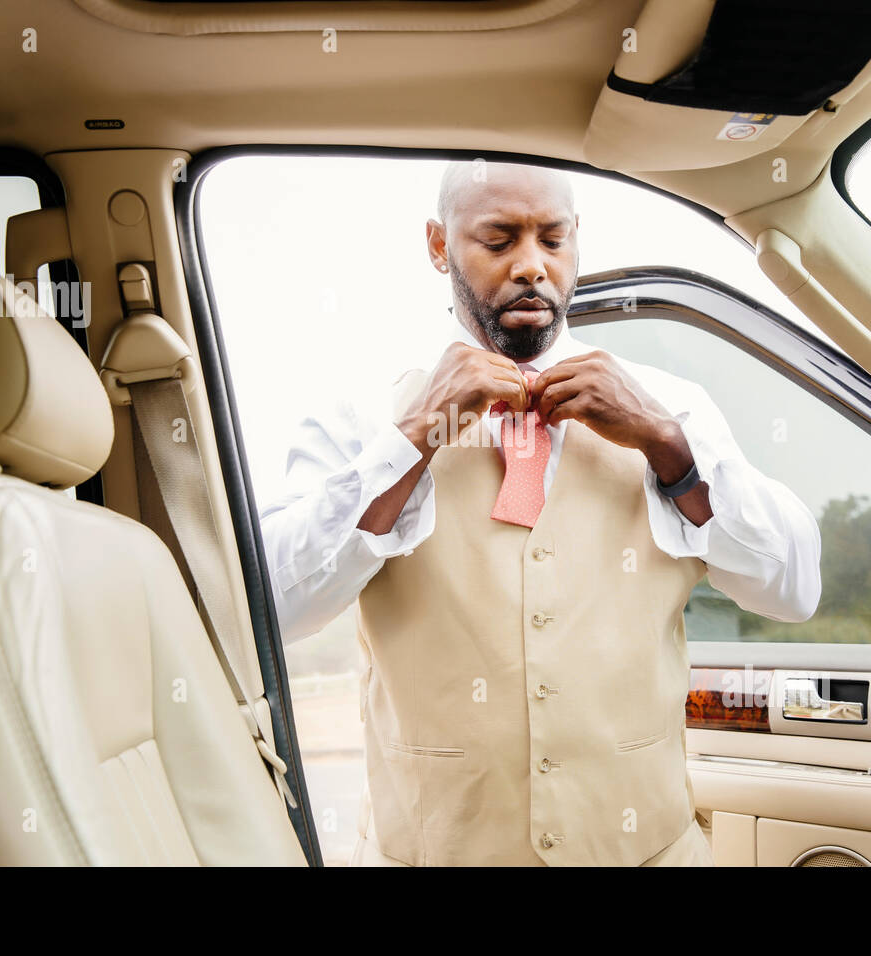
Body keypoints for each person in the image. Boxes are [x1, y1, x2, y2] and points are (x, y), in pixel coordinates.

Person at [260, 161, 822, 866]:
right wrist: (412, 438)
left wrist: (667, 447)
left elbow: (794, 589)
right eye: (499, 241)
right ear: (439, 246)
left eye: (552, 241)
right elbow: (273, 606)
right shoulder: (361, 414)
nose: (531, 266)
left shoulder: (669, 407)